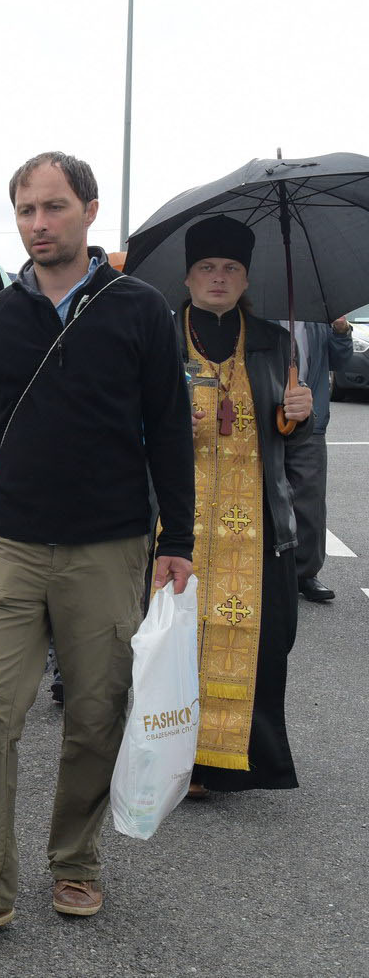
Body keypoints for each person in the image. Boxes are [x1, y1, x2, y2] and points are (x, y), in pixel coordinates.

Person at [0, 153, 195, 945]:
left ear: (90, 210)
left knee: (95, 713)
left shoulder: (139, 309)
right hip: (9, 541)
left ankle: (75, 858)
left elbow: (169, 429)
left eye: (53, 207)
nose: (38, 224)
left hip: (109, 546)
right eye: (26, 210)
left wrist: (176, 539)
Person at [176, 216, 313, 797]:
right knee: (177, 642)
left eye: (231, 268)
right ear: (188, 277)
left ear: (246, 278)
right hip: (176, 521)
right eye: (207, 267)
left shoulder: (274, 342)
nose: (218, 277)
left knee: (263, 640)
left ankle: (232, 759)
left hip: (255, 524)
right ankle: (176, 755)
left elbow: (294, 443)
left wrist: (296, 414)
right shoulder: (161, 337)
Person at [280, 315, 353, 602]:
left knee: (309, 499)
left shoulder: (318, 319)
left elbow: (341, 362)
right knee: (263, 494)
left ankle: (305, 573)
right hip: (265, 416)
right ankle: (267, 568)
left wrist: (341, 330)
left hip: (311, 420)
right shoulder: (259, 313)